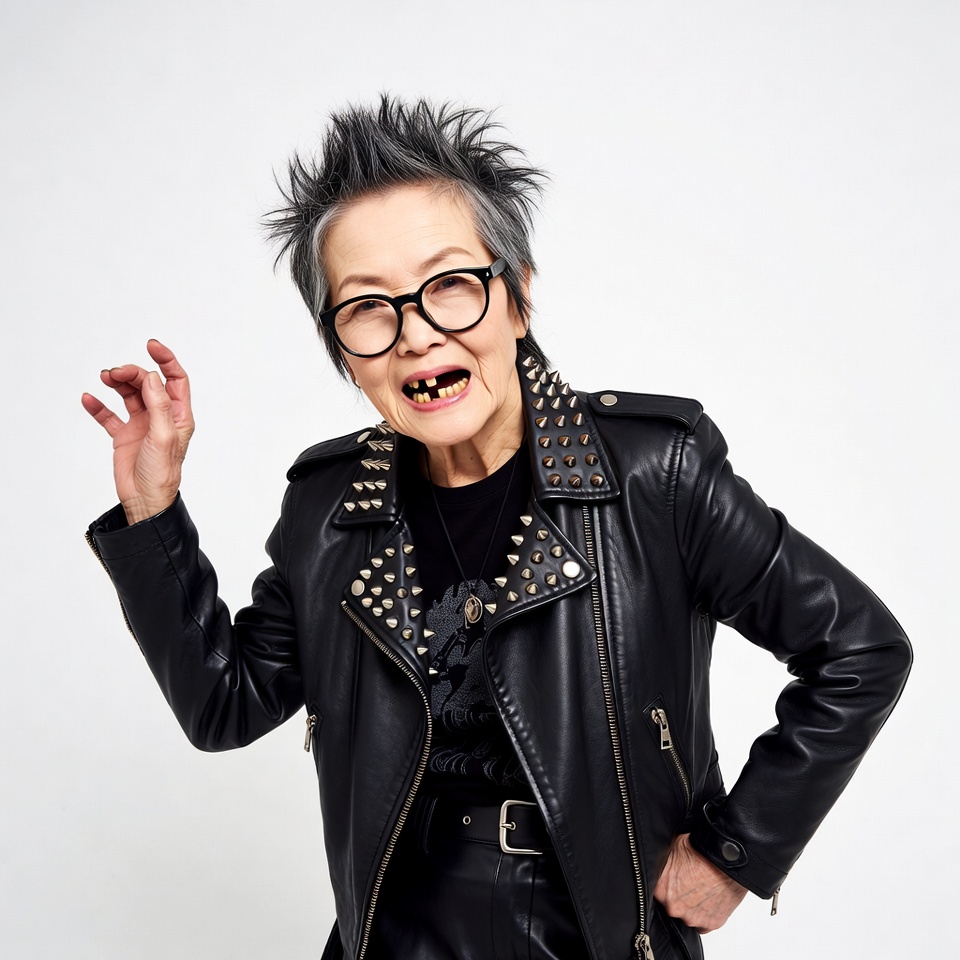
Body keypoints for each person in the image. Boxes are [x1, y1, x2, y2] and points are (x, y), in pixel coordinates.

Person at [82, 97, 911, 960]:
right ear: (344, 352)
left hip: (595, 933)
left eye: (449, 285)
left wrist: (736, 853)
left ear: (516, 296)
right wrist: (152, 509)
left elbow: (860, 649)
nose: (415, 335)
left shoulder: (651, 475)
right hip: (394, 931)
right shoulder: (329, 511)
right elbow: (224, 705)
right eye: (368, 307)